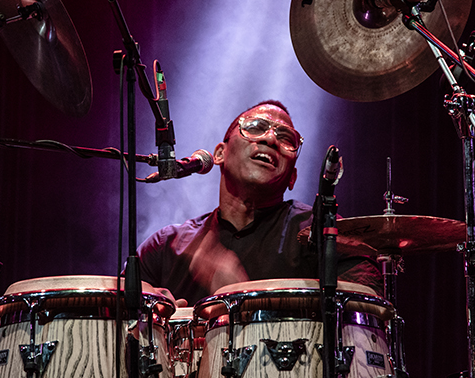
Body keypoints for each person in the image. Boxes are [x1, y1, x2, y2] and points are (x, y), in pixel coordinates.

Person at [137, 100, 379, 306]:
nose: (271, 139)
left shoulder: (326, 231)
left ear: (292, 177)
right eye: (256, 127)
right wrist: (149, 306)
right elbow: (114, 321)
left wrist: (240, 293)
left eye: (286, 138)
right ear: (220, 153)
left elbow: (365, 312)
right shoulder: (165, 247)